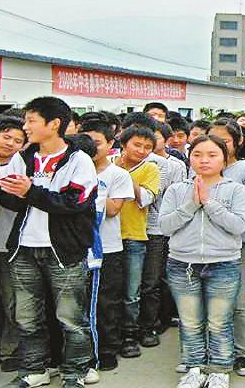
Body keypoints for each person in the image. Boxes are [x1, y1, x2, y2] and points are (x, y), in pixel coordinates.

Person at [0, 96, 98, 388]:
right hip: (24, 248)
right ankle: (34, 370)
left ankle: (74, 373)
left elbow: (74, 202)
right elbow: (7, 195)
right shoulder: (25, 156)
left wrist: (30, 191)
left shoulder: (78, 160)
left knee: (70, 319)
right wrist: (16, 191)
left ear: (54, 124)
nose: (25, 127)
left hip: (64, 251)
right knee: (26, 318)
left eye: (31, 120)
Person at [160, 135, 245, 388]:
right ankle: (194, 368)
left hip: (223, 264)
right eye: (198, 154)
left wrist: (208, 203)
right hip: (182, 264)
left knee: (219, 321)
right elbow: (165, 226)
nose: (204, 160)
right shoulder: (177, 190)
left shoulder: (236, 189)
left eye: (212, 155)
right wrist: (191, 205)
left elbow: (238, 226)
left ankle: (220, 369)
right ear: (190, 157)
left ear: (224, 158)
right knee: (189, 321)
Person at [79, 121, 135, 372]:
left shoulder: (118, 175)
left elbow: (113, 209)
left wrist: (87, 192)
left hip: (108, 248)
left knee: (106, 302)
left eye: (97, 143)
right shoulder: (71, 171)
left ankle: (107, 350)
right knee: (77, 303)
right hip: (75, 246)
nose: (90, 148)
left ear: (111, 144)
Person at [209, 120, 245, 377]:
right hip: (204, 247)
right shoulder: (201, 165)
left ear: (238, 141)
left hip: (239, 246)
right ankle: (216, 352)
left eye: (224, 141)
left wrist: (211, 209)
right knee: (211, 305)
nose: (216, 146)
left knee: (240, 302)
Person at [112, 126, 161, 359]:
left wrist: (122, 174)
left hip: (134, 236)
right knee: (109, 290)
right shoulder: (106, 162)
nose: (142, 151)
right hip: (107, 238)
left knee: (133, 291)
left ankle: (130, 334)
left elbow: (145, 198)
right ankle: (110, 335)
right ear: (123, 143)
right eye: (137, 145)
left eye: (147, 147)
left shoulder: (150, 168)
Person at [0, 117, 27, 373]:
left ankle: (11, 350)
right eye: (6, 137)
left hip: (6, 243)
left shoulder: (19, 167)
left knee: (11, 301)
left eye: (18, 141)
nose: (10, 143)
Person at [140, 123, 186, 348]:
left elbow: (174, 198)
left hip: (157, 229)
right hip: (132, 228)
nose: (147, 144)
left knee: (153, 280)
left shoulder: (172, 165)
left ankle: (155, 322)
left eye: (153, 138)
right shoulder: (121, 162)